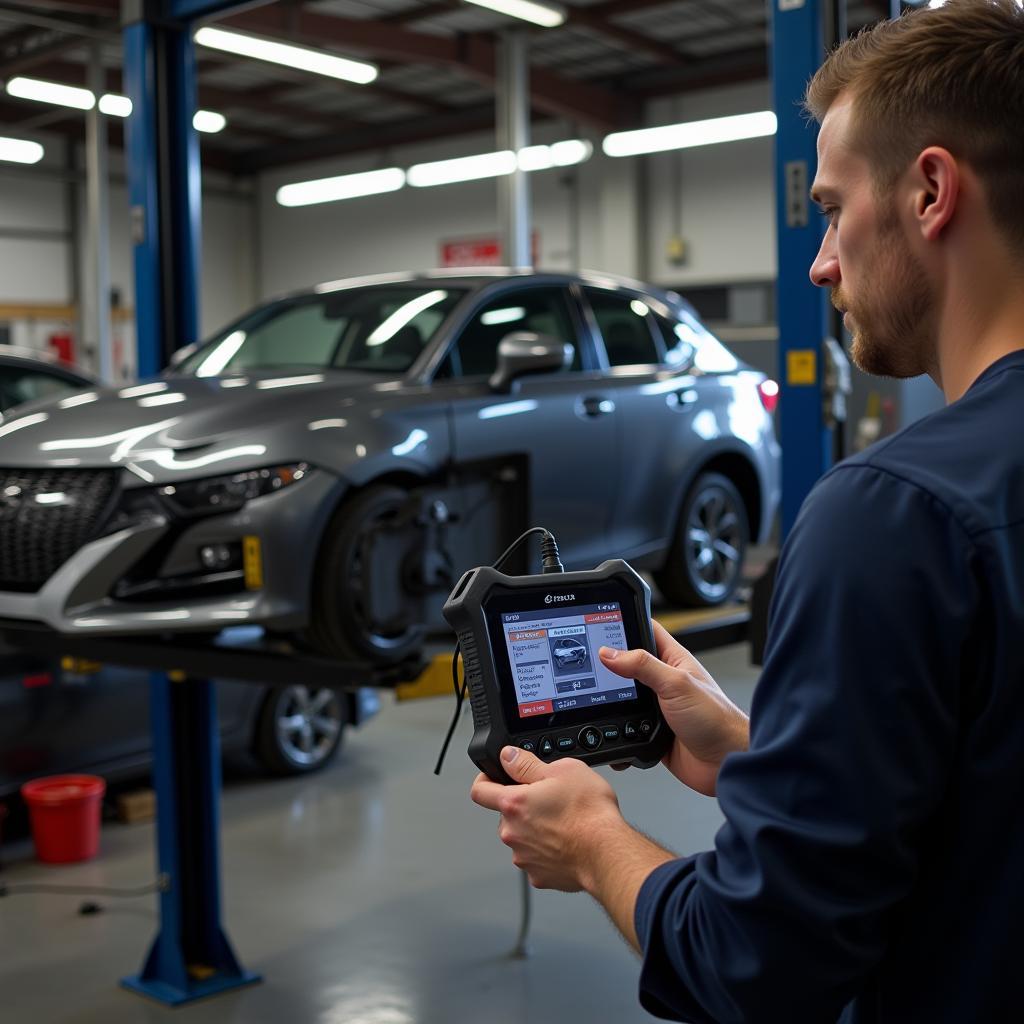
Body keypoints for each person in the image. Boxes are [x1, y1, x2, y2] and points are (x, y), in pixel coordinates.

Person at [470, 1, 1024, 1020]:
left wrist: (593, 840)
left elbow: (758, 962)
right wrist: (755, 756)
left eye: (828, 206)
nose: (819, 263)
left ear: (930, 192)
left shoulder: (893, 515)